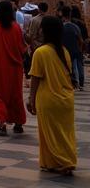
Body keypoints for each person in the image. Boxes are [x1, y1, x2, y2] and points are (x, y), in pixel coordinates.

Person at [27, 15, 77, 174]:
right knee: (64, 134)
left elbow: (35, 79)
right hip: (66, 99)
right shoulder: (64, 51)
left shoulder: (40, 52)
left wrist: (30, 99)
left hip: (48, 99)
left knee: (50, 134)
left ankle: (65, 162)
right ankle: (52, 162)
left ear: (44, 31)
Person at [0, 0, 27, 135]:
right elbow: (22, 48)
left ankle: (1, 123)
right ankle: (19, 122)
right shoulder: (16, 28)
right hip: (15, 68)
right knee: (16, 95)